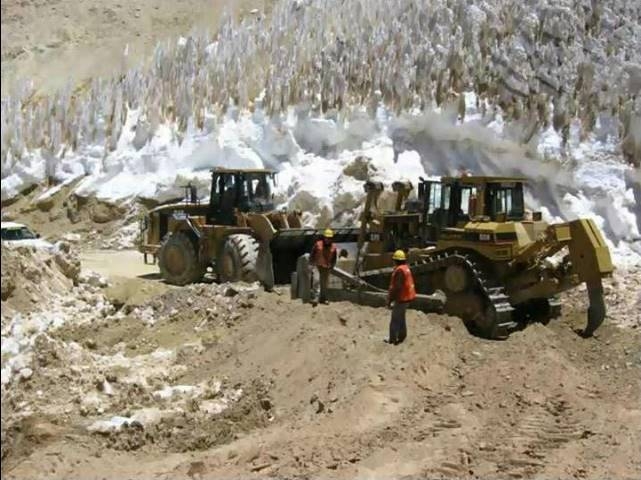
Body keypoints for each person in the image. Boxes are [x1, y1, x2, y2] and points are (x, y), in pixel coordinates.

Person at [386, 250, 416, 345]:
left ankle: (392, 339)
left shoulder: (399, 271)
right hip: (407, 298)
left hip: (401, 298)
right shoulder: (405, 268)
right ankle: (402, 336)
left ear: (395, 260)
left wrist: (390, 300)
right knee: (401, 318)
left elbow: (397, 287)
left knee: (395, 319)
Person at [310, 228, 337, 305]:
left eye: (329, 238)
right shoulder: (318, 244)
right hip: (317, 265)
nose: (327, 239)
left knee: (324, 284)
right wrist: (311, 263)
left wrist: (332, 266)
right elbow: (312, 254)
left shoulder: (333, 247)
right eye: (326, 238)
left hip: (327, 267)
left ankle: (323, 298)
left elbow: (334, 258)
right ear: (324, 237)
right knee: (316, 280)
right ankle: (315, 297)